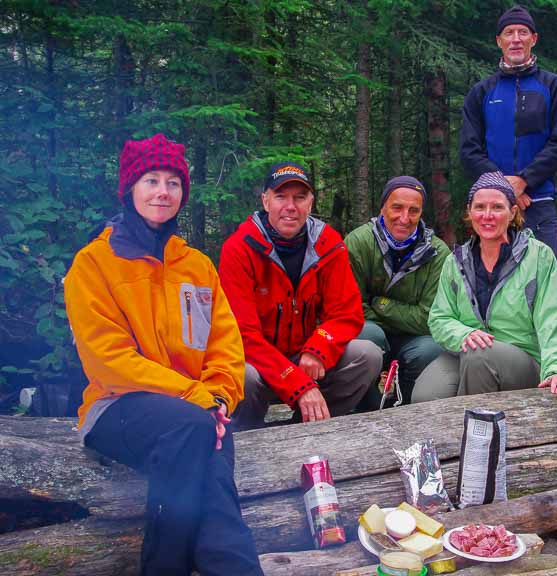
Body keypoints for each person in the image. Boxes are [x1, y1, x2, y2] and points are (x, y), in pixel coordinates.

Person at [64, 134, 263, 575]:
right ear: (130, 188)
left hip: (194, 414)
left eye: (173, 183)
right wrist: (195, 398)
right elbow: (107, 360)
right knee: (196, 433)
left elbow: (225, 348)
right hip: (115, 408)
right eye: (151, 180)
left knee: (208, 464)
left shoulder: (195, 266)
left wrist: (218, 399)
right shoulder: (94, 264)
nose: (162, 191)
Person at [219, 161, 381, 429]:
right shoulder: (239, 248)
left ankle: (314, 426)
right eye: (281, 196)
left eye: (299, 197)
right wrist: (297, 384)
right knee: (242, 375)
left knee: (368, 354)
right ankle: (248, 436)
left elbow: (347, 313)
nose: (290, 206)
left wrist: (319, 348)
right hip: (259, 364)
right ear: (265, 200)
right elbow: (242, 336)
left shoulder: (327, 243)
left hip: (304, 355)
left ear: (311, 202)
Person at [413, 171, 557, 402]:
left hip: (523, 359)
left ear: (512, 212)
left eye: (497, 207)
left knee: (480, 357)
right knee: (425, 397)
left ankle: (479, 434)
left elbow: (554, 318)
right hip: (465, 352)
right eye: (480, 207)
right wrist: (463, 334)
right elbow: (440, 317)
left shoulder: (539, 257)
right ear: (469, 212)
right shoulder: (456, 260)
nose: (487, 215)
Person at [459, 4, 557, 256]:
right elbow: (469, 150)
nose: (515, 39)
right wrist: (505, 189)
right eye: (509, 33)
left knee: (544, 284)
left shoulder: (554, 86)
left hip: (539, 204)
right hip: (491, 209)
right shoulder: (481, 92)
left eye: (522, 32)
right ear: (498, 41)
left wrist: (524, 180)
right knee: (491, 285)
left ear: (533, 39)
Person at [345, 176, 448, 407]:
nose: (404, 218)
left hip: (413, 339)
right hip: (371, 332)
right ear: (382, 208)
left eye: (414, 210)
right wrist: (389, 322)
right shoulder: (358, 242)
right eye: (397, 208)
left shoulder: (438, 253)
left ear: (421, 213)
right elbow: (350, 309)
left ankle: (407, 405)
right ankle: (365, 406)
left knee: (430, 348)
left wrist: (380, 304)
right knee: (369, 335)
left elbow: (428, 318)